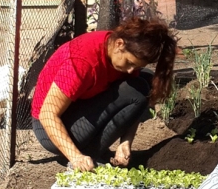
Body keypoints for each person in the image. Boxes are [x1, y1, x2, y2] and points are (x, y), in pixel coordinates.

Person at [31, 17, 177, 171]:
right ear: (119, 44)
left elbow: (135, 102)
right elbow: (47, 114)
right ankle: (89, 154)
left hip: (76, 110)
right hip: (48, 130)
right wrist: (75, 156)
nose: (130, 70)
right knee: (137, 88)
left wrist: (125, 142)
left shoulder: (115, 47)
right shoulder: (82, 61)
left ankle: (91, 150)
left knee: (145, 79)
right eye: (129, 63)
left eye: (134, 66)